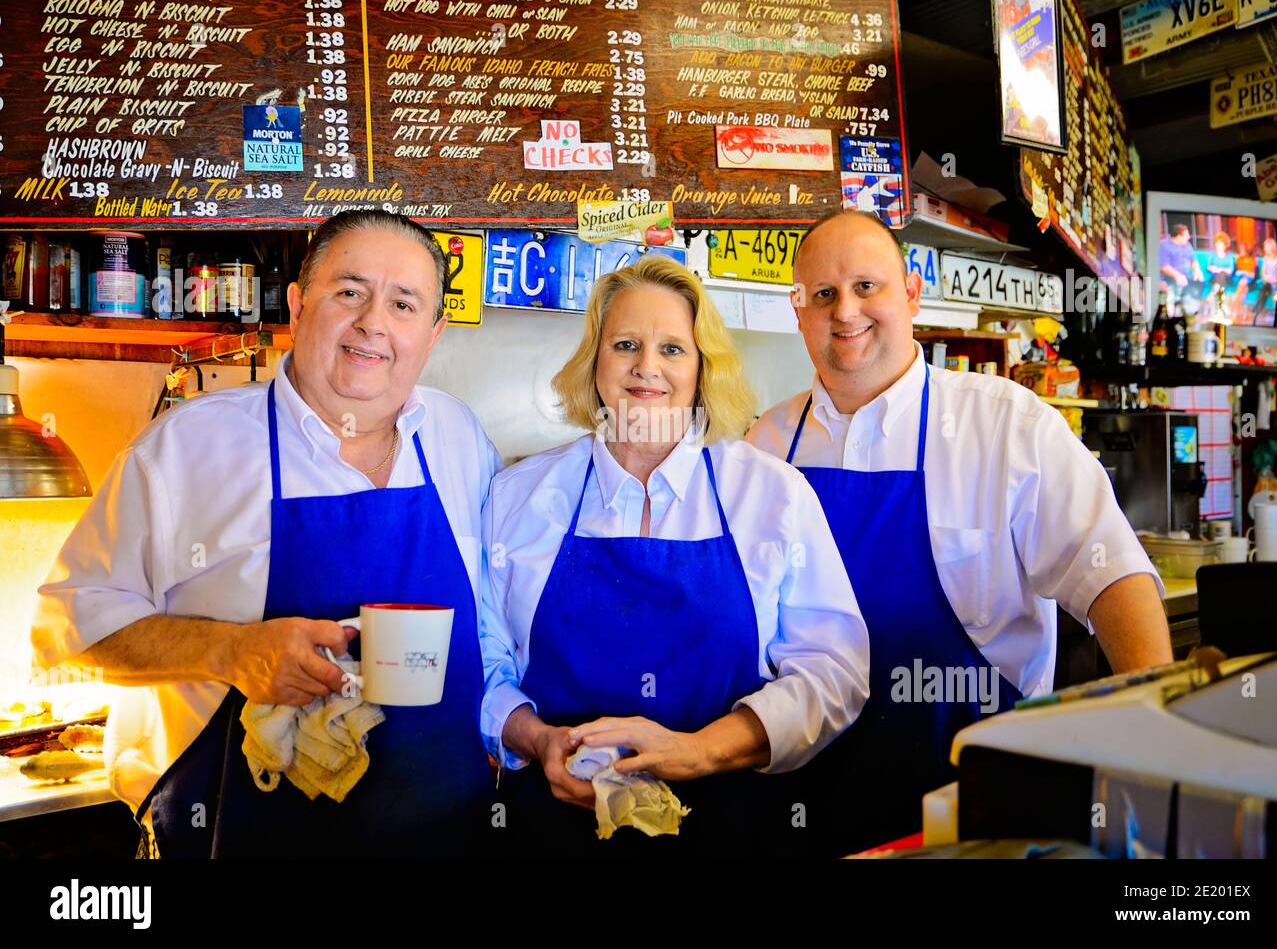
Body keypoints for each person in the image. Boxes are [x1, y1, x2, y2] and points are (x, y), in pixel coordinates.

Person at [32, 210, 501, 857]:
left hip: (442, 834)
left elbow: (499, 621)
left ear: (434, 331)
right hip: (235, 831)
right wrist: (229, 651)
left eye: (403, 302)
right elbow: (74, 624)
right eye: (349, 291)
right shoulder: (190, 447)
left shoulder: (459, 437)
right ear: (299, 305)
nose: (373, 321)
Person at [746, 210, 1173, 853]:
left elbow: (1112, 574)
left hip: (982, 808)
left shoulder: (1004, 425)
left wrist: (1158, 739)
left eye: (868, 287)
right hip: (810, 807)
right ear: (798, 310)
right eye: (824, 295)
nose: (846, 312)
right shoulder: (764, 447)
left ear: (911, 294)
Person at [478, 254, 869, 855]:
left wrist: (697, 751)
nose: (646, 368)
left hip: (728, 829)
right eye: (626, 344)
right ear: (595, 361)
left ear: (702, 367)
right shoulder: (520, 494)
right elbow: (484, 655)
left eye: (672, 349)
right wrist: (533, 738)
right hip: (552, 828)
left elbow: (833, 671)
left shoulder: (770, 495)